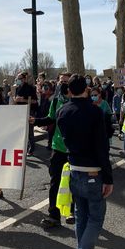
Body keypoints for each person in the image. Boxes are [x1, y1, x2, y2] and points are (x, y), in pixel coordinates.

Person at [56, 74, 113, 249]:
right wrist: (108, 177)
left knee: (81, 216)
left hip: (74, 169)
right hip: (93, 171)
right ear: (87, 89)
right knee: (95, 218)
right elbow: (101, 147)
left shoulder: (62, 111)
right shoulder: (95, 112)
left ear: (69, 91)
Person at [31, 72, 74, 227]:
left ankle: (72, 212)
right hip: (58, 147)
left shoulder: (81, 101)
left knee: (75, 182)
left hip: (74, 149)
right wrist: (34, 121)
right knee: (55, 182)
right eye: (61, 82)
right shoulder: (55, 101)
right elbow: (50, 119)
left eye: (67, 82)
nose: (63, 85)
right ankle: (53, 215)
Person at [13, 72, 38, 156]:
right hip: (19, 111)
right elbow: (16, 100)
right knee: (22, 130)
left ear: (24, 79)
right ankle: (24, 147)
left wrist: (23, 100)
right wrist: (15, 100)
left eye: (19, 78)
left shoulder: (30, 88)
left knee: (30, 130)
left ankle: (31, 149)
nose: (17, 80)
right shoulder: (17, 88)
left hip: (29, 111)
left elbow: (35, 101)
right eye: (17, 79)